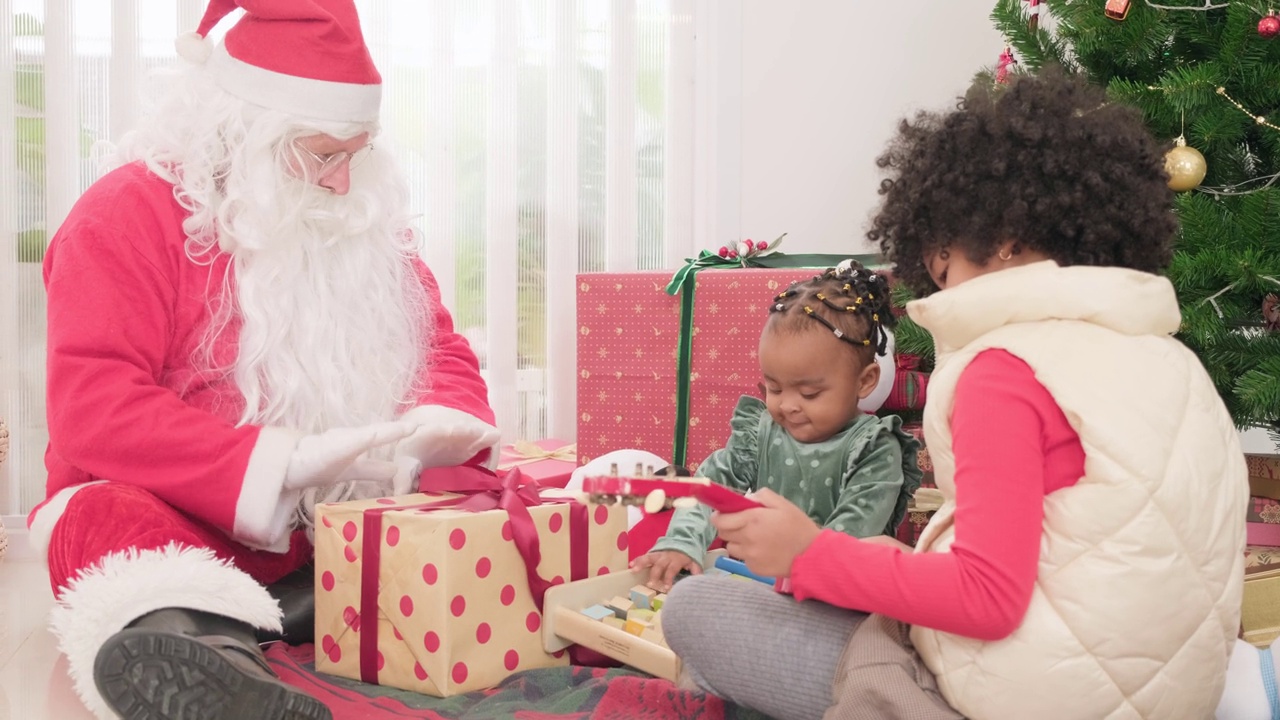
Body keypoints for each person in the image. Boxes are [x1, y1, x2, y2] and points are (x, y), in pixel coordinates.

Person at [657, 67, 1247, 720]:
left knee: (698, 609)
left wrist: (809, 553)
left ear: (1004, 241)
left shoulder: (1004, 371)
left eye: (941, 261)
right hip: (1165, 698)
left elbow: (988, 598)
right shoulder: (1169, 361)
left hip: (1016, 698)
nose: (936, 288)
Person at [26, 2, 501, 719]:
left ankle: (285, 612)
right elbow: (93, 405)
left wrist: (440, 422)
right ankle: (206, 655)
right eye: (324, 154)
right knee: (103, 520)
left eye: (357, 151)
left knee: (496, 501)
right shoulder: (122, 215)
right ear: (245, 136)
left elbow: (441, 349)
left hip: (335, 525)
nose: (344, 181)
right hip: (183, 518)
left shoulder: (358, 219)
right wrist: (280, 464)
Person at [633, 263, 922, 591]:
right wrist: (682, 542)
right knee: (683, 603)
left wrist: (793, 564)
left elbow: (849, 540)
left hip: (837, 595)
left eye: (809, 393)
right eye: (774, 387)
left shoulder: (875, 448)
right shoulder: (761, 432)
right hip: (761, 580)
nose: (787, 405)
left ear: (865, 381)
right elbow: (711, 487)